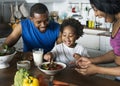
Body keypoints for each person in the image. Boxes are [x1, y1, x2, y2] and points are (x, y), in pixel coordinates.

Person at [74, 0, 120, 81]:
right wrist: (91, 61)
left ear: (106, 5)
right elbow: (117, 52)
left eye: (96, 9)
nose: (95, 14)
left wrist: (97, 69)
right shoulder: (116, 22)